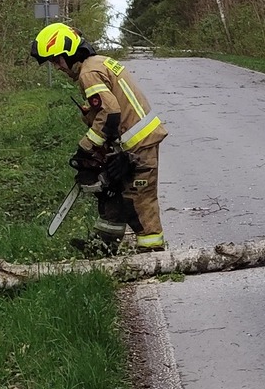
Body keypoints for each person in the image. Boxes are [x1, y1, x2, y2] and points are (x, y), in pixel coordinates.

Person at [33, 23, 167, 254]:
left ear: (69, 52)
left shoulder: (89, 73)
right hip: (132, 143)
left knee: (138, 201)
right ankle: (103, 246)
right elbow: (109, 109)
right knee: (113, 193)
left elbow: (110, 113)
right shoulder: (99, 63)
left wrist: (86, 148)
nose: (56, 67)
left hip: (138, 145)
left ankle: (152, 253)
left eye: (56, 60)